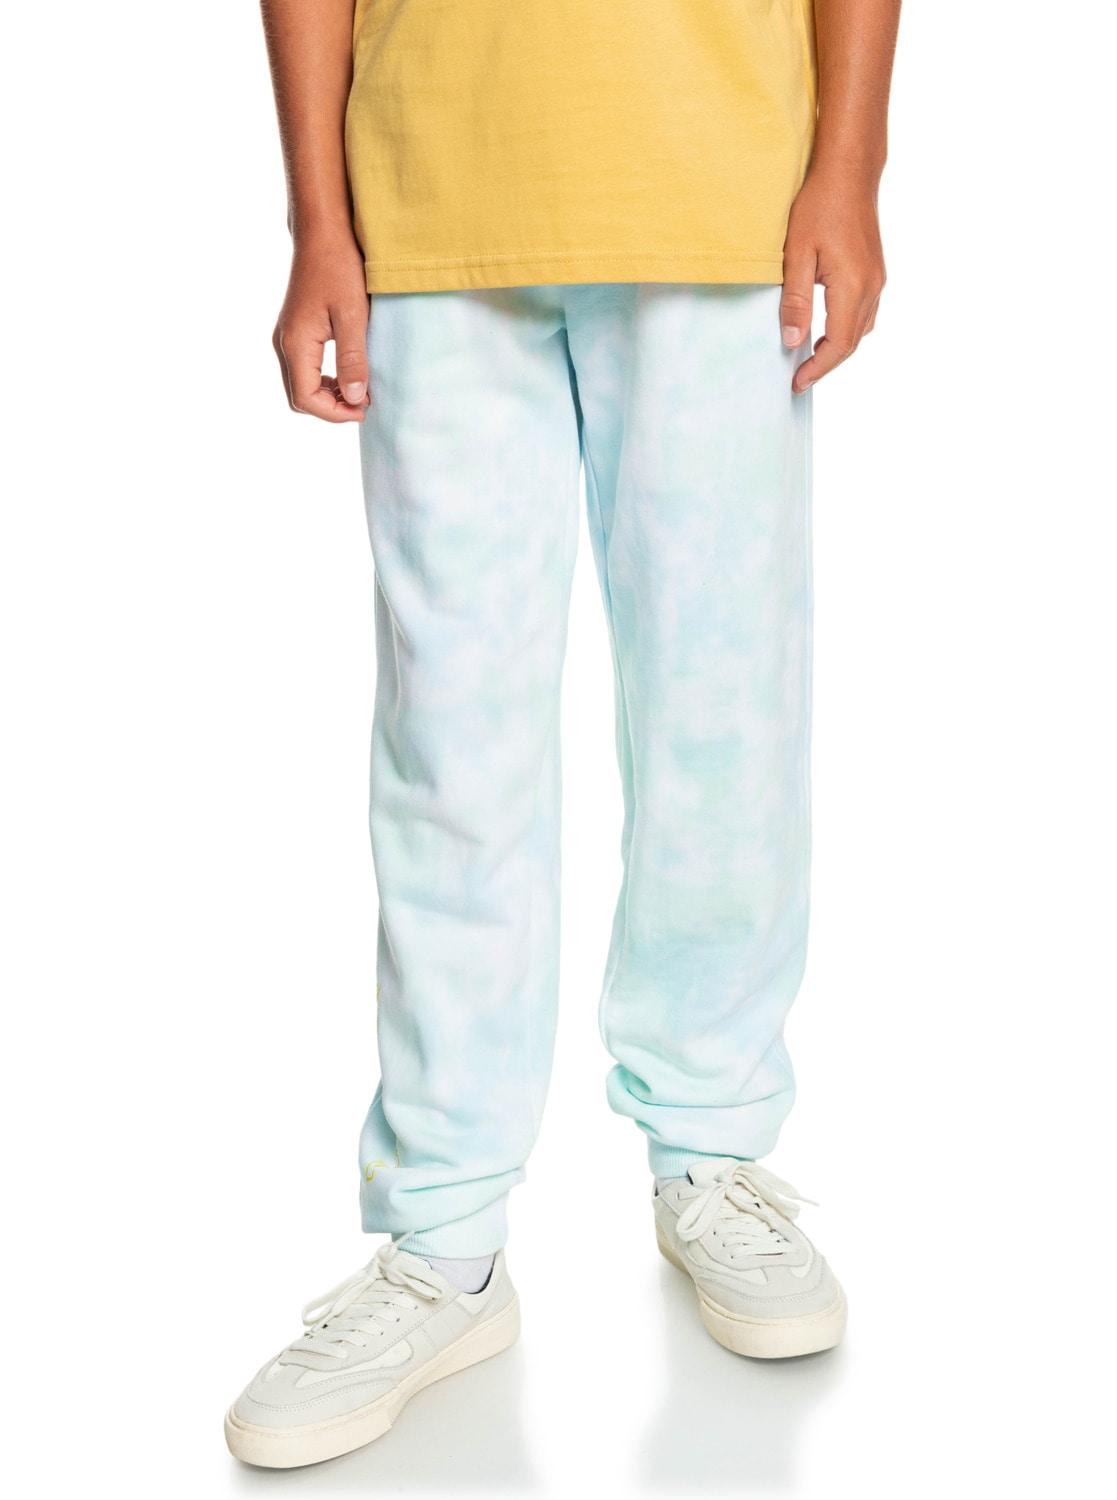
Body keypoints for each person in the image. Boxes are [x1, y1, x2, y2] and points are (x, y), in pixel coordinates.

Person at [225, 0, 900, 1469]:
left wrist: (847, 170)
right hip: (427, 194)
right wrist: (317, 223)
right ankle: (443, 1236)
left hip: (720, 192)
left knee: (720, 715)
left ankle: (712, 1146)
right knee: (448, 745)